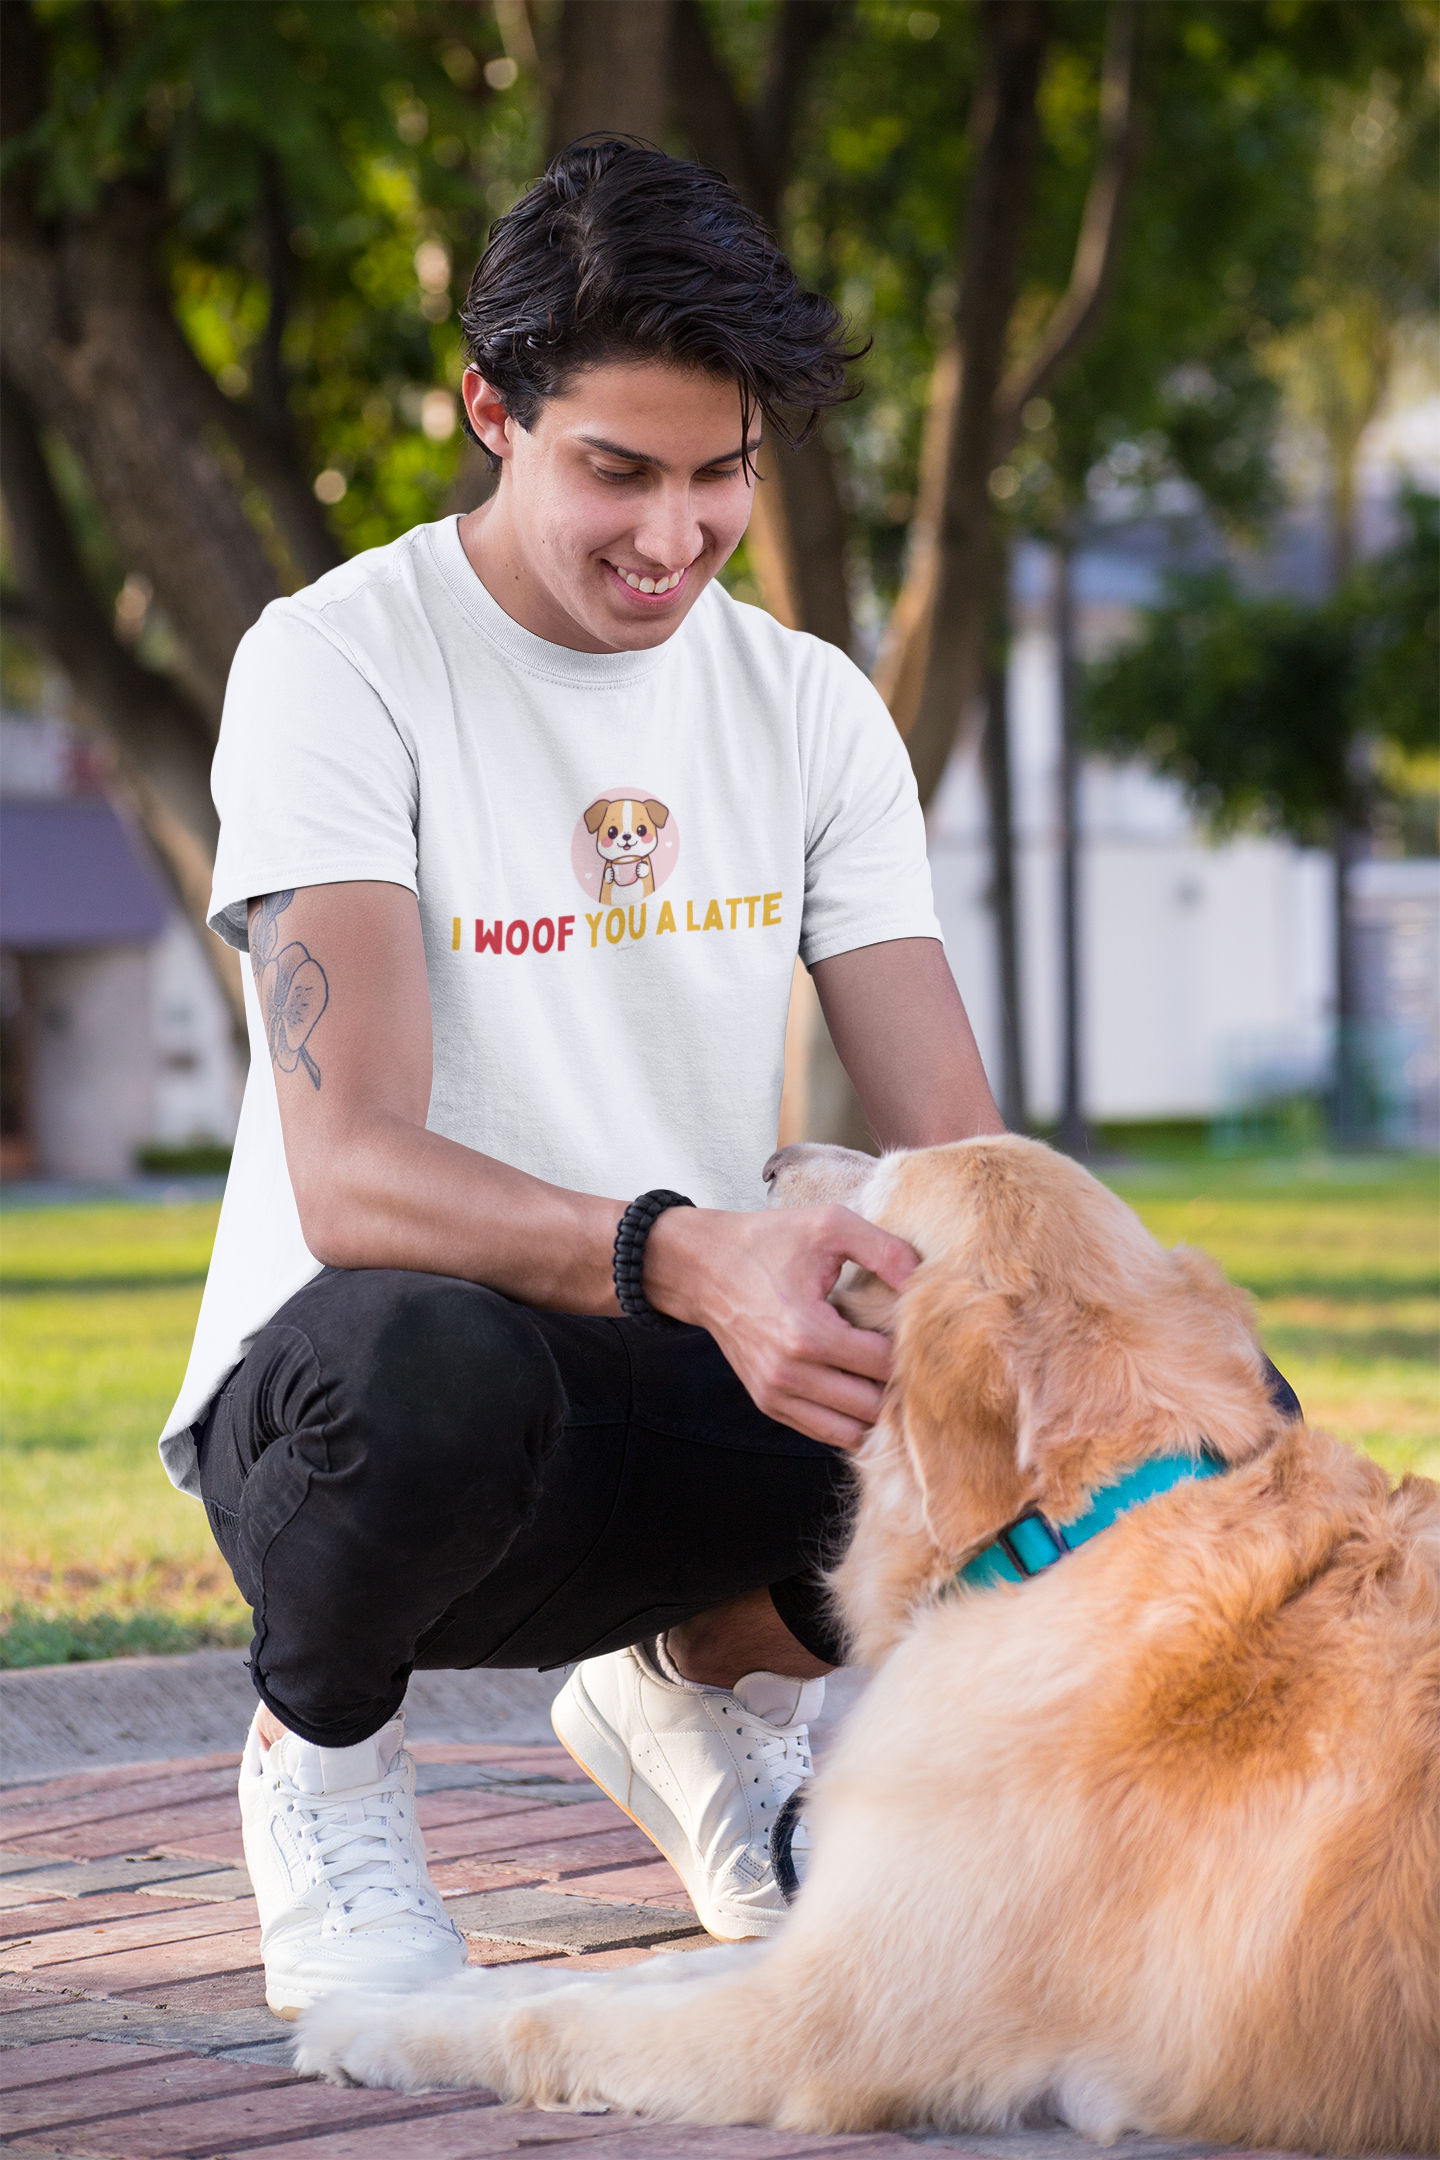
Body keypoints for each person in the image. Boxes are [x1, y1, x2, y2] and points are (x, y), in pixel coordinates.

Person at [160, 139, 1004, 2021]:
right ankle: (323, 1761)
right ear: (491, 414)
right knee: (429, 1355)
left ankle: (698, 1697)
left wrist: (1071, 1342)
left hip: (678, 1387)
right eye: (615, 470)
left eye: (722, 475)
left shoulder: (806, 707)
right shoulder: (336, 665)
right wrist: (695, 1248)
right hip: (362, 1414)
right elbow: (353, 1176)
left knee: (1033, 1357)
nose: (672, 535)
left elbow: (964, 1153)